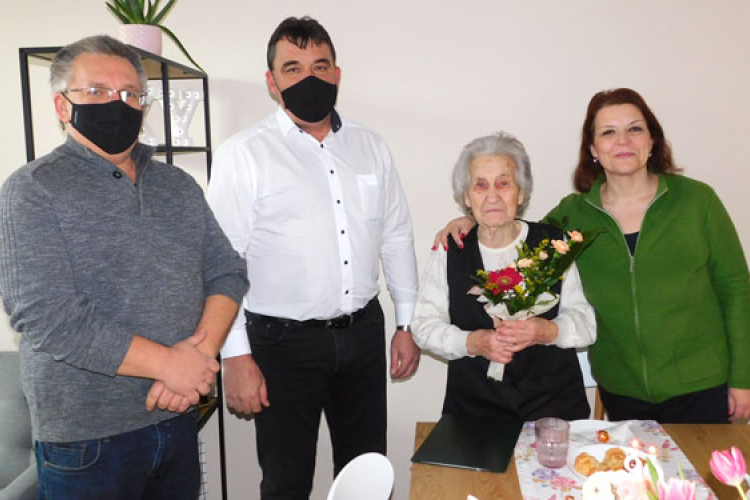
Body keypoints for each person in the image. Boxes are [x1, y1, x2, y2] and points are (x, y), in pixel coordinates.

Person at [0, 35, 248, 499]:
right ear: (62, 105)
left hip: (177, 417)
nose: (118, 104)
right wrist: (172, 366)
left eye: (131, 94)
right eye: (96, 91)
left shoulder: (178, 185)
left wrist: (198, 358)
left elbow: (227, 272)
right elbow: (46, 316)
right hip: (87, 443)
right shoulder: (31, 190)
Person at [435, 88, 750, 423]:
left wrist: (743, 379)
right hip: (622, 389)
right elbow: (519, 238)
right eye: (608, 133)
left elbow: (736, 290)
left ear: (652, 140)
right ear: (593, 149)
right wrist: (472, 220)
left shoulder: (697, 202)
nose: (623, 141)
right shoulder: (574, 215)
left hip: (703, 385)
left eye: (634, 129)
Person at [207, 16, 420, 500]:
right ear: (272, 82)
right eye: (293, 68)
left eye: (320, 66)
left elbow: (396, 235)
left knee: (368, 475)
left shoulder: (370, 146)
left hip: (363, 334)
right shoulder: (245, 154)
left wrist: (405, 324)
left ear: (337, 74)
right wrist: (234, 355)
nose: (310, 78)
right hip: (281, 345)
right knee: (286, 483)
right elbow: (221, 262)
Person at [413, 132, 595, 420]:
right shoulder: (451, 249)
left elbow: (586, 324)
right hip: (475, 410)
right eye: (480, 185)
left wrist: (547, 331)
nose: (493, 196)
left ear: (521, 193)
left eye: (504, 183)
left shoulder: (554, 244)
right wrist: (472, 342)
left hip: (553, 409)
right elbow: (423, 327)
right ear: (467, 197)